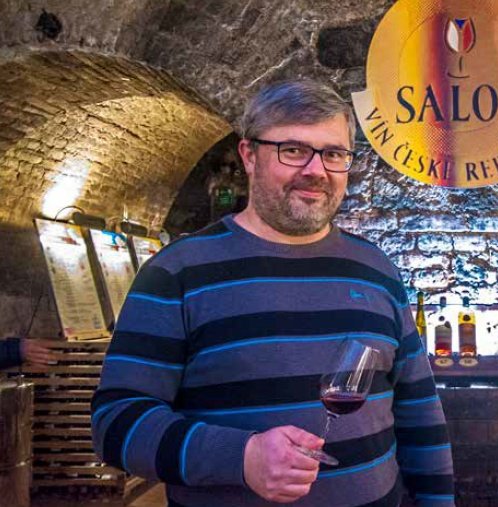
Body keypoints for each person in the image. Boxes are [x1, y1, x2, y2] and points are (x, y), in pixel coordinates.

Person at [91, 80, 455, 506]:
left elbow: (419, 413)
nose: (316, 170)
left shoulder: (377, 270)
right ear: (249, 156)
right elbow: (115, 423)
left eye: (333, 154)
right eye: (293, 150)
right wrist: (241, 457)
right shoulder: (176, 273)